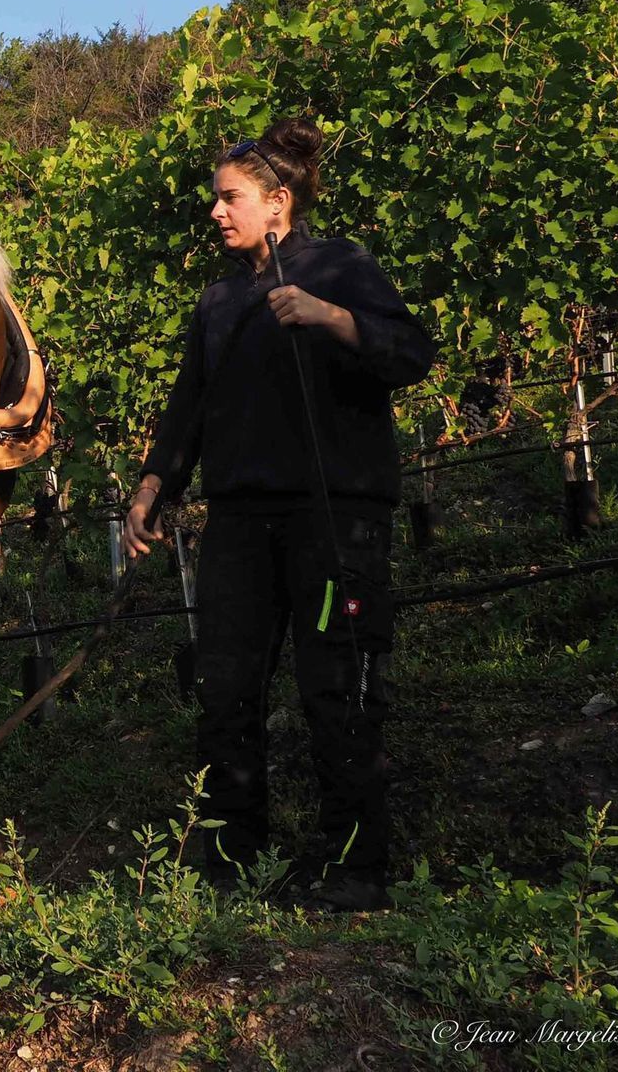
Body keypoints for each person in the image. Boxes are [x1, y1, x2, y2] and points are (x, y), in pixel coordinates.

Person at [122, 117, 436, 913]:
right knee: (227, 689)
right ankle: (232, 858)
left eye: (229, 199)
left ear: (278, 201)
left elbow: (411, 353)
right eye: (216, 201)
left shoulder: (342, 266)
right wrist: (154, 485)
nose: (217, 213)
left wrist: (333, 318)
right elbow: (187, 409)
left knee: (340, 685)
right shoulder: (220, 301)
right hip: (238, 521)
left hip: (336, 518)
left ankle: (356, 869)